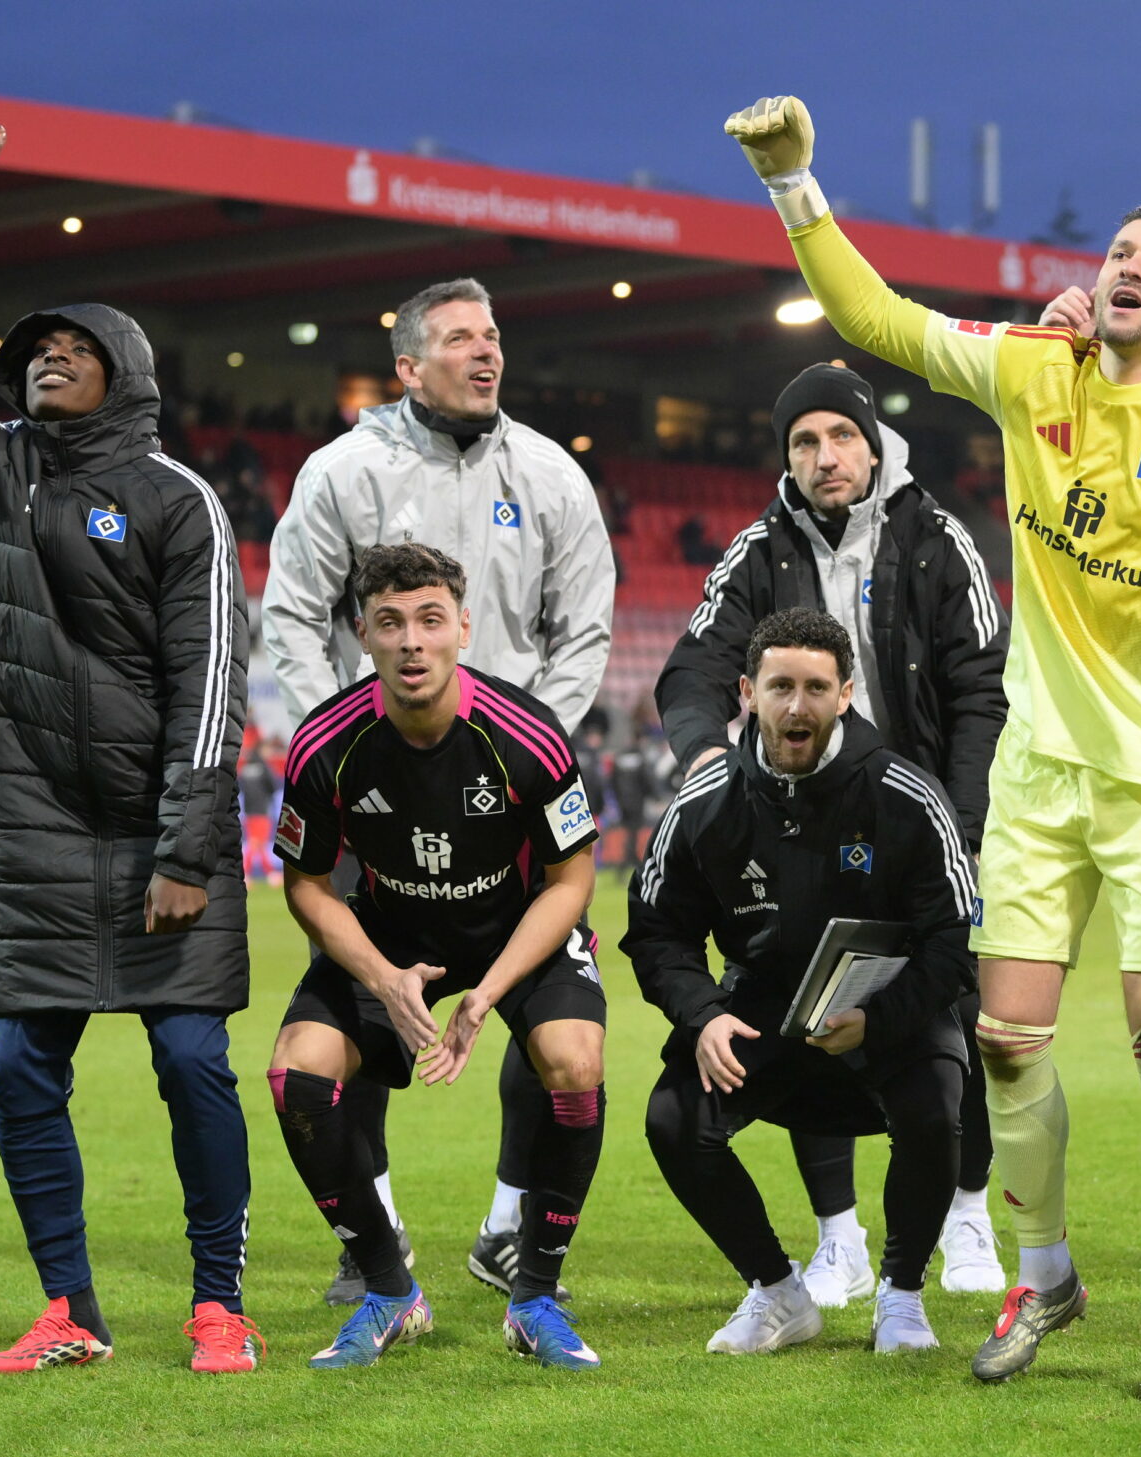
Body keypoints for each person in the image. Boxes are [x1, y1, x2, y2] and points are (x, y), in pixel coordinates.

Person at [724, 94, 1141, 1403]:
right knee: (1010, 1039)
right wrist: (798, 185)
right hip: (1036, 777)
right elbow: (880, 324)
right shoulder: (1036, 371)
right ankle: (1045, 1274)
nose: (1125, 265)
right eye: (1118, 251)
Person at [0, 119, 258, 1375]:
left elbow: (211, 681)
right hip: (34, 837)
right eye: (37, 352)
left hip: (159, 837)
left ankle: (217, 1303)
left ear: (124, 378)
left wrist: (188, 843)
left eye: (78, 353)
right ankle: (71, 1308)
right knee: (20, 1068)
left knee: (194, 1062)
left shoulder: (178, 496)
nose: (49, 364)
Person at [262, 275, 616, 1308]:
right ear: (409, 364)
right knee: (368, 1012)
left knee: (543, 1017)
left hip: (507, 786)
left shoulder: (550, 472)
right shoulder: (345, 470)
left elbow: (584, 625)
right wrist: (359, 749)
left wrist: (520, 750)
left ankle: (512, 1223)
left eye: (494, 334)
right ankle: (369, 1231)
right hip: (377, 792)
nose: (485, 352)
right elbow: (290, 616)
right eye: (460, 338)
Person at [655, 364, 1008, 1300]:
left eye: (840, 437)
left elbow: (982, 688)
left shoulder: (938, 540)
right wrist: (703, 758)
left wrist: (961, 822)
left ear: (872, 442)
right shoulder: (756, 550)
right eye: (804, 442)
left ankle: (968, 1213)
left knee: (953, 1013)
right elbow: (693, 669)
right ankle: (839, 1236)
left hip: (919, 816)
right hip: (802, 809)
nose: (824, 457)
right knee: (803, 995)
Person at [267, 542, 609, 1371]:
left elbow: (572, 880)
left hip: (515, 933)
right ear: (364, 636)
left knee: (573, 1059)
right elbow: (307, 884)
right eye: (390, 624)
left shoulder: (527, 735)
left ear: (463, 625)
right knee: (296, 1074)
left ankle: (534, 1297)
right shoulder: (325, 746)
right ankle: (390, 1289)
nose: (411, 641)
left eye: (428, 620)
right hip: (393, 936)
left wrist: (488, 993)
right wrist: (382, 978)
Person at [629, 608, 979, 1355]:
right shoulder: (705, 801)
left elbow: (953, 940)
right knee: (673, 1120)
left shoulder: (905, 795)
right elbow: (656, 931)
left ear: (845, 693)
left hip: (887, 1011)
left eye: (816, 687)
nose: (797, 705)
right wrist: (705, 1017)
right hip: (763, 1011)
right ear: (747, 694)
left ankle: (902, 1294)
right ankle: (778, 1290)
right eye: (780, 686)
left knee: (936, 1107)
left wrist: (880, 1021)